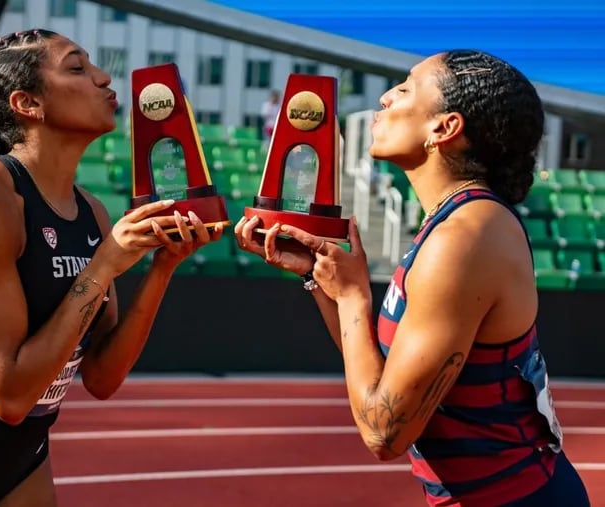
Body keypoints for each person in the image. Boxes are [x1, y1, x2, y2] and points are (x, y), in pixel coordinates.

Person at [0, 28, 225, 506]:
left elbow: (101, 378)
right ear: (28, 103)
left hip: (26, 456)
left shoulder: (91, 210)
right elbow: (10, 397)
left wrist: (161, 269)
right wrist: (105, 265)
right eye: (77, 68)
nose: (102, 78)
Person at [235, 50, 591, 506]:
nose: (384, 98)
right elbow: (386, 375)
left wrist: (353, 297)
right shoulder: (449, 224)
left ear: (445, 128)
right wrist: (317, 277)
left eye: (405, 88)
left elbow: (385, 432)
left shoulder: (464, 237)